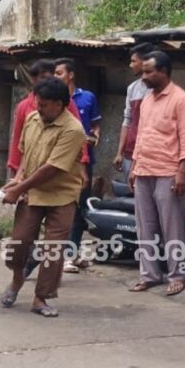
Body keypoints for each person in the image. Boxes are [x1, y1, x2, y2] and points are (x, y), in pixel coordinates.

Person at [0, 77, 85, 317]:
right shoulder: (32, 119)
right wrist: (18, 179)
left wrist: (19, 188)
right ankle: (18, 278)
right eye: (38, 103)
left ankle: (41, 298)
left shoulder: (73, 129)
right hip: (32, 192)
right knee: (19, 242)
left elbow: (52, 168)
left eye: (44, 104)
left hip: (61, 196)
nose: (38, 108)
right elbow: (27, 154)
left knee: (52, 249)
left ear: (59, 104)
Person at [128, 51, 185, 296]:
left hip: (168, 171)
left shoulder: (181, 100)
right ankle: (150, 275)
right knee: (144, 227)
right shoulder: (147, 100)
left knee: (172, 227)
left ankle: (177, 275)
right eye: (143, 71)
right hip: (144, 169)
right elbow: (141, 135)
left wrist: (182, 173)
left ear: (164, 71)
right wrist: (135, 166)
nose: (143, 76)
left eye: (148, 72)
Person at [54, 58, 101, 273]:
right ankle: (65, 255)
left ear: (70, 75)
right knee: (65, 208)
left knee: (81, 208)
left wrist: (95, 137)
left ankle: (73, 252)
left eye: (59, 73)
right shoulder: (54, 100)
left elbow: (95, 126)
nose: (56, 77)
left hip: (85, 160)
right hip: (62, 162)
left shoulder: (87, 97)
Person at [113, 43, 154, 181]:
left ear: (145, 62)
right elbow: (127, 120)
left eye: (133, 61)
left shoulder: (158, 90)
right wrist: (120, 152)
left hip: (151, 153)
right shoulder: (132, 88)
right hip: (130, 151)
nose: (130, 65)